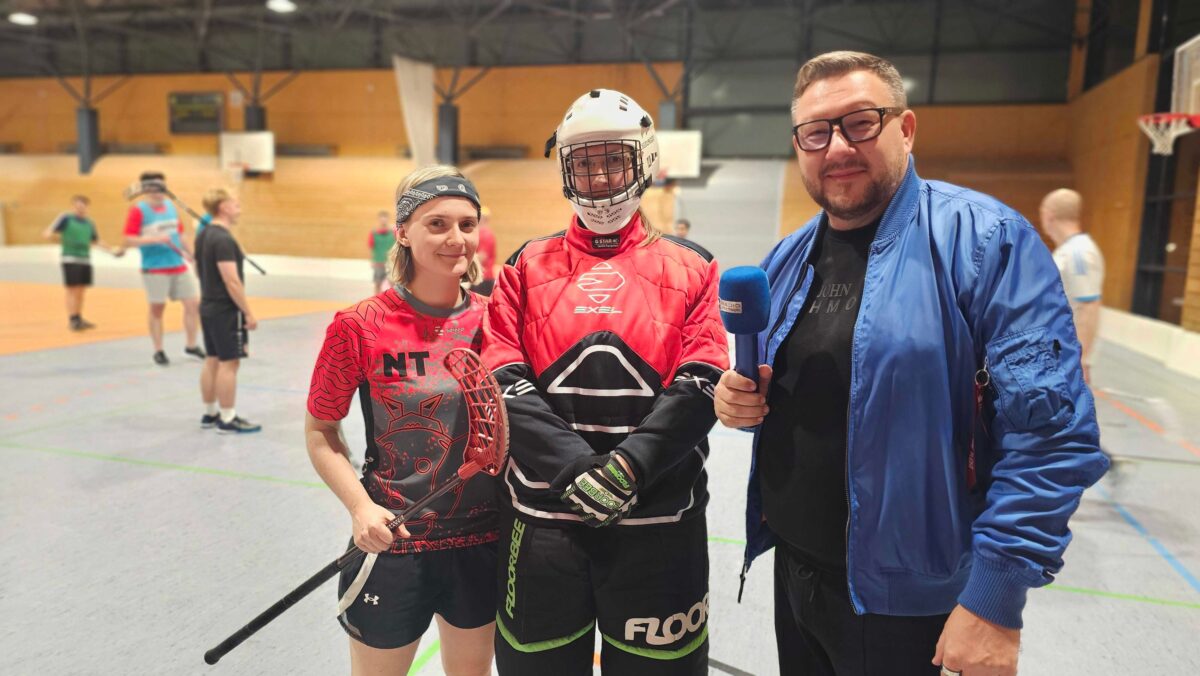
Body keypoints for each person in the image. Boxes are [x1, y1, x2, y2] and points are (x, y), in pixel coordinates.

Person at [711, 51, 1108, 676]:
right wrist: (740, 401)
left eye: (860, 122)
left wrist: (997, 597)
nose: (836, 146)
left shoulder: (986, 242)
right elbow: (805, 397)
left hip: (909, 607)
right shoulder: (787, 257)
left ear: (906, 127)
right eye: (816, 132)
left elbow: (1052, 437)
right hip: (795, 576)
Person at [483, 89, 728, 675]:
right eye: (584, 163)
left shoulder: (695, 266)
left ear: (643, 161)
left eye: (613, 160)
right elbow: (501, 377)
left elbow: (703, 379)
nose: (599, 177)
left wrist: (626, 469)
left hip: (660, 526)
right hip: (542, 526)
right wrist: (574, 470)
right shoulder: (523, 265)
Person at [306, 166, 497, 676]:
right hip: (393, 543)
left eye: (467, 224)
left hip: (483, 542)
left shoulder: (498, 321)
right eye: (437, 224)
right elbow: (321, 433)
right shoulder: (357, 326)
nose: (457, 239)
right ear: (404, 232)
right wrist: (360, 508)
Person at [194, 188, 260, 434]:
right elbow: (232, 281)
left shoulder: (204, 235)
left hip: (208, 305)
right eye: (236, 204)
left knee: (212, 359)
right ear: (223, 207)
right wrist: (248, 312)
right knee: (229, 363)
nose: (239, 208)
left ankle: (210, 413)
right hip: (225, 309)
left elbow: (198, 270)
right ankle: (227, 418)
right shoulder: (222, 239)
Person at [123, 171, 204, 365]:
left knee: (192, 305)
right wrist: (154, 239)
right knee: (157, 309)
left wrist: (193, 255)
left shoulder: (171, 207)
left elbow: (181, 234)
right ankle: (158, 350)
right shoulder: (138, 211)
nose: (158, 191)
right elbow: (128, 239)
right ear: (145, 189)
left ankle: (191, 346)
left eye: (161, 186)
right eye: (153, 186)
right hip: (154, 268)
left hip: (178, 265)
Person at [1040, 188, 1105, 384]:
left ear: (1048, 215)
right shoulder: (1067, 251)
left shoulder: (1078, 253)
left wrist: (1081, 361)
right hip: (1057, 353)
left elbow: (1088, 307)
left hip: (1067, 358)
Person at [42, 195, 122, 331]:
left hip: (85, 259)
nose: (80, 208)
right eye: (77, 206)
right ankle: (73, 319)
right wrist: (62, 241)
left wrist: (112, 251)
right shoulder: (65, 218)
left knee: (81, 290)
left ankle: (78, 317)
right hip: (70, 259)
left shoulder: (89, 223)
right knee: (72, 289)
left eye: (83, 206)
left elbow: (96, 241)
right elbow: (47, 233)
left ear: (87, 207)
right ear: (72, 206)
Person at [470, 206, 497, 296]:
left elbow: (482, 257)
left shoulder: (485, 234)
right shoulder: (481, 233)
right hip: (481, 277)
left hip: (483, 278)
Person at [368, 210, 395, 295]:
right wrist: (372, 260)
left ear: (387, 219)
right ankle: (376, 302)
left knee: (393, 284)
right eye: (382, 219)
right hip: (379, 262)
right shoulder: (374, 233)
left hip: (390, 263)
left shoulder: (393, 233)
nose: (383, 220)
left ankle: (392, 302)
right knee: (377, 283)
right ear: (379, 220)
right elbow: (371, 248)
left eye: (385, 218)